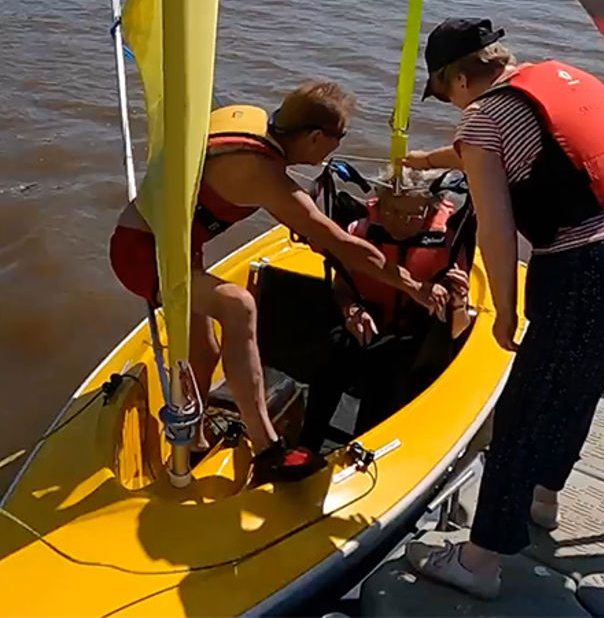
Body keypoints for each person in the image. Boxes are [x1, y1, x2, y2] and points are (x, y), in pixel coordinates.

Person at [402, 18, 604, 599]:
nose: (449, 103)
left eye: (442, 91)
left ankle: (479, 560)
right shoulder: (563, 76)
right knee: (577, 386)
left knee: (524, 408)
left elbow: (498, 233)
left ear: (457, 77)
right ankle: (542, 498)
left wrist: (505, 310)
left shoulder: (482, 115)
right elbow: (536, 154)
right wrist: (430, 161)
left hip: (593, 269)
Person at [109, 81, 451, 485]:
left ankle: (195, 438)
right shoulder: (262, 173)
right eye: (335, 142)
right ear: (313, 137)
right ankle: (268, 449)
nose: (334, 152)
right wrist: (412, 285)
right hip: (142, 254)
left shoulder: (250, 120)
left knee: (205, 349)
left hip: (175, 246)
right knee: (239, 305)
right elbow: (344, 245)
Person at [298, 167, 473, 452]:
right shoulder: (360, 232)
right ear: (378, 205)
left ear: (430, 213)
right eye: (391, 211)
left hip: (413, 338)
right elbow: (341, 289)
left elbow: (458, 330)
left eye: (411, 216)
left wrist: (458, 301)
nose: (399, 223)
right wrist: (351, 310)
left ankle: (364, 446)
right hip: (366, 323)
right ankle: (306, 443)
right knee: (334, 349)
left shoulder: (449, 246)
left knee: (387, 370)